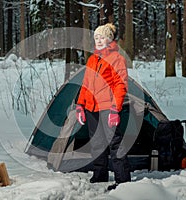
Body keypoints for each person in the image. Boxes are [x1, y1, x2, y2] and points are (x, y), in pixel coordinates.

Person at [76, 23, 131, 190]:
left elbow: (120, 85)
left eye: (102, 37)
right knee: (97, 143)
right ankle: (100, 175)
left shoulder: (117, 59)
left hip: (108, 107)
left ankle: (122, 180)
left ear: (110, 39)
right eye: (96, 38)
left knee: (115, 144)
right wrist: (80, 105)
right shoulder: (92, 59)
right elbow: (86, 84)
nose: (99, 40)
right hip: (91, 108)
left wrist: (115, 109)